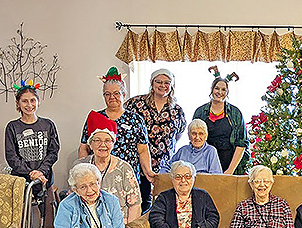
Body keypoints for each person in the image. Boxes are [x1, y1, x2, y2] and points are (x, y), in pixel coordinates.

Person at [79, 67, 155, 202]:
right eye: (107, 94)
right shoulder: (95, 118)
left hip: (127, 176)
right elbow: (84, 147)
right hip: (99, 177)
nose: (112, 97)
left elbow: (143, 150)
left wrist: (148, 171)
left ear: (124, 95)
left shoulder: (136, 120)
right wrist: (82, 171)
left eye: (116, 93)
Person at [126, 69, 186, 209]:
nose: (162, 85)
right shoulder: (136, 103)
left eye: (167, 82)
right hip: (139, 165)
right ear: (152, 83)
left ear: (172, 86)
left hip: (164, 166)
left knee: (163, 205)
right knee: (139, 203)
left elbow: (179, 134)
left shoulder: (177, 110)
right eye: (158, 81)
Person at [74, 118, 142, 223]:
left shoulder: (124, 169)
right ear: (90, 144)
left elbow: (135, 205)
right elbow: (73, 200)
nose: (103, 145)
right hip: (86, 224)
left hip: (118, 225)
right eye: (97, 140)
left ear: (113, 144)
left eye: (107, 141)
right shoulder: (80, 167)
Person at [3, 86, 60, 201]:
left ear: (38, 101)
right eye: (24, 101)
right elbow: (11, 157)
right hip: (21, 181)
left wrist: (40, 172)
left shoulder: (48, 125)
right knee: (22, 217)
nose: (29, 105)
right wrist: (30, 173)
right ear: (18, 103)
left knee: (48, 216)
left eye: (32, 100)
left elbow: (53, 152)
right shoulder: (12, 127)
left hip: (44, 179)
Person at [192, 71, 249, 174]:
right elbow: (193, 139)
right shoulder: (200, 112)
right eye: (217, 88)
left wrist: (230, 171)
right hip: (205, 164)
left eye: (223, 89)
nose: (219, 92)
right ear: (212, 89)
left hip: (230, 164)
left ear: (227, 92)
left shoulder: (235, 113)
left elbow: (241, 143)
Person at [159, 119, 223, 174]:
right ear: (189, 136)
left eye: (201, 134)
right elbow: (167, 167)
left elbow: (216, 176)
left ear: (206, 136)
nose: (197, 137)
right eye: (194, 134)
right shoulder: (183, 150)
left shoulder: (211, 151)